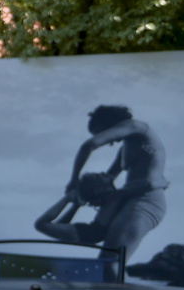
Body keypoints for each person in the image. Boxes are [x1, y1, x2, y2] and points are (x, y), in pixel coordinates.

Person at [64, 105, 168, 256]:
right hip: (133, 200)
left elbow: (89, 145)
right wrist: (82, 193)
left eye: (101, 134)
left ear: (107, 124)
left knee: (112, 260)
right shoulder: (128, 145)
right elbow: (108, 178)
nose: (111, 143)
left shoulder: (137, 127)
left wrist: (73, 180)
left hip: (146, 201)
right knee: (107, 259)